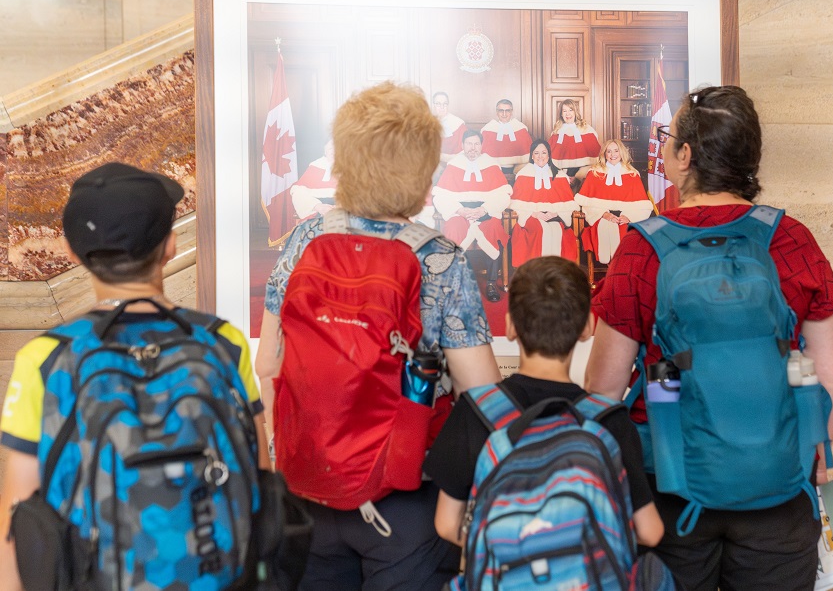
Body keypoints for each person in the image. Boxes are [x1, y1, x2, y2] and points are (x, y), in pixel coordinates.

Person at [584, 85, 833, 590]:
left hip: (671, 488)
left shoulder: (642, 248)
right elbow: (830, 371)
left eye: (669, 140)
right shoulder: (790, 240)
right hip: (779, 484)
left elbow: (604, 389)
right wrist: (812, 457)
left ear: (685, 156)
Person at [255, 82, 501, 591]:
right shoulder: (439, 258)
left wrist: (294, 452)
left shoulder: (307, 238)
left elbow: (269, 363)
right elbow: (482, 394)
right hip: (403, 494)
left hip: (309, 485)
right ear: (423, 170)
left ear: (345, 159)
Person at [0, 162, 269, 590]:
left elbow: (20, 517)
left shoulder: (47, 358)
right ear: (169, 246)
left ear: (72, 253)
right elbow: (260, 481)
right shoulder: (223, 342)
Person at [425, 256, 664, 548]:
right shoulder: (608, 419)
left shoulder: (476, 411)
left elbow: (447, 524)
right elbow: (650, 532)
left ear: (510, 326)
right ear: (588, 327)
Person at [431, 129, 512, 302]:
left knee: (493, 229)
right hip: (460, 212)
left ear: (481, 145)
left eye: (476, 144)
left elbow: (503, 195)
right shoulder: (455, 164)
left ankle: (491, 282)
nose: (473, 148)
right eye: (469, 144)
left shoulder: (491, 164)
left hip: (485, 211)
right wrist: (459, 210)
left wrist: (485, 209)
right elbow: (441, 195)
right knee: (452, 229)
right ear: (462, 145)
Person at [575, 139, 654, 265]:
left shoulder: (632, 174)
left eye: (616, 151)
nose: (613, 155)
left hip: (624, 217)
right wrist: (604, 214)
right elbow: (587, 203)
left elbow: (642, 205)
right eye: (609, 151)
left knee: (625, 230)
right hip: (601, 217)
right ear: (604, 154)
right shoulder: (595, 173)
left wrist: (629, 217)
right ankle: (612, 268)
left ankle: (620, 270)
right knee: (605, 228)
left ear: (621, 152)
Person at [508, 139, 579, 267]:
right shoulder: (523, 174)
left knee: (557, 231)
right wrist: (534, 213)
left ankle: (555, 274)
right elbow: (516, 203)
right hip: (532, 216)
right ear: (532, 155)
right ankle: (538, 273)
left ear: (549, 155)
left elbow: (568, 202)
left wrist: (556, 212)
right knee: (541, 231)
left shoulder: (560, 175)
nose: (540, 156)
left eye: (544, 153)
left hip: (555, 215)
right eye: (536, 153)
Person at [548, 98, 601, 173]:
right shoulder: (556, 132)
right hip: (562, 172)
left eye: (570, 110)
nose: (568, 114)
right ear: (561, 114)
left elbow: (595, 151)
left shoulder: (587, 129)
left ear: (575, 112)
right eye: (564, 111)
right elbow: (549, 154)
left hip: (583, 172)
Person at [290, 138, 337, 221]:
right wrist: (318, 207)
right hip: (318, 211)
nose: (333, 151)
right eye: (330, 148)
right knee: (297, 192)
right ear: (325, 151)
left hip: (344, 210)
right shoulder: (316, 166)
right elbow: (297, 191)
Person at [479, 98, 531, 168]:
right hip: (494, 168)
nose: (504, 114)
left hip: (517, 169)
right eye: (501, 111)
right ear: (496, 112)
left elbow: (528, 155)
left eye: (507, 111)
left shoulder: (520, 129)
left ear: (511, 112)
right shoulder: (488, 130)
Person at [433, 91, 467, 162]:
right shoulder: (426, 123)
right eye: (438, 104)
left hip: (454, 162)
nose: (442, 107)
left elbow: (465, 150)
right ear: (433, 105)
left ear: (448, 105)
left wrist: (445, 158)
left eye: (445, 104)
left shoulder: (459, 124)